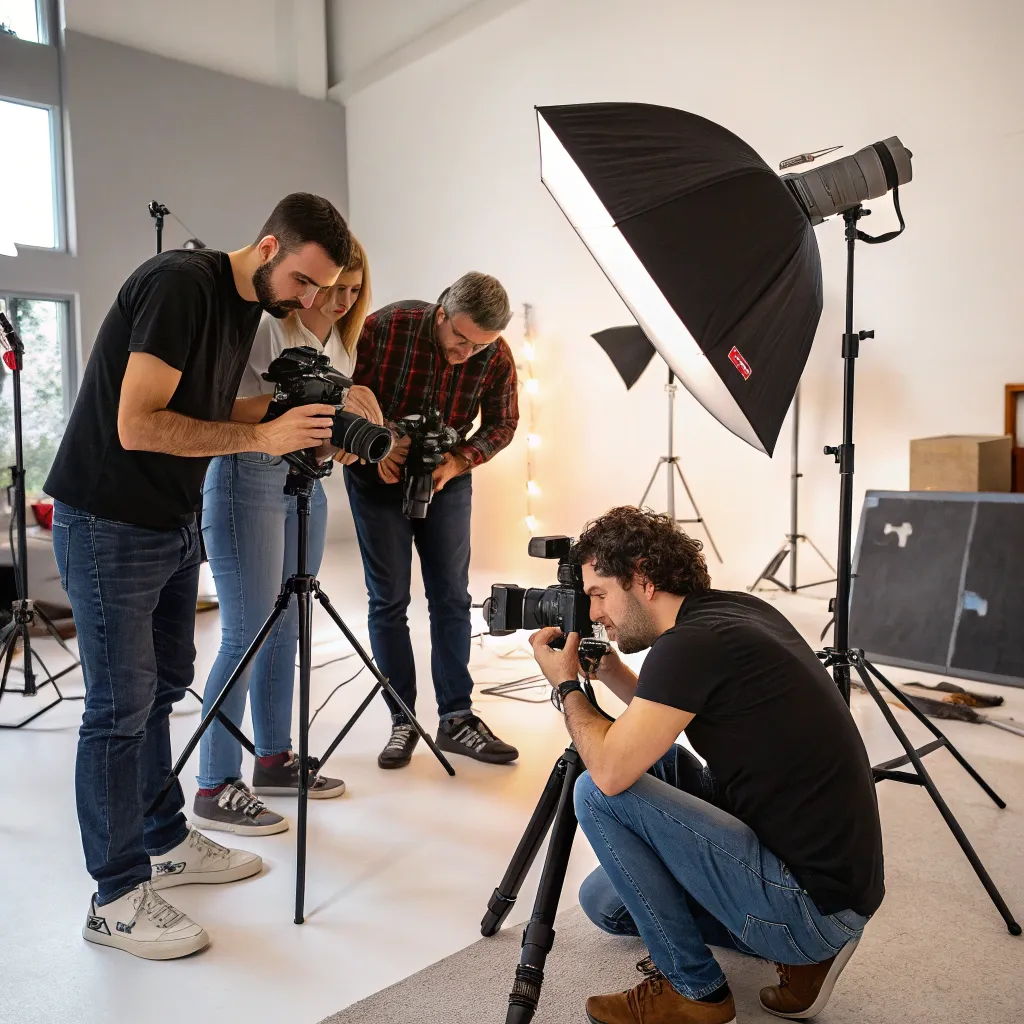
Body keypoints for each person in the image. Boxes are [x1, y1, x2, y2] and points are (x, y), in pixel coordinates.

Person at [45, 193, 352, 960]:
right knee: (118, 708)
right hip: (107, 519)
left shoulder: (245, 305)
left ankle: (165, 840)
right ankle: (114, 897)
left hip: (169, 523)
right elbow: (137, 423)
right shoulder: (181, 284)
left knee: (163, 687)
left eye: (324, 291)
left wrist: (310, 415)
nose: (311, 303)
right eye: (306, 282)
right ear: (269, 245)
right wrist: (265, 433)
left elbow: (212, 404)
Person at [528, 507, 885, 1024]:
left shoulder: (689, 648)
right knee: (605, 901)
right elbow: (662, 712)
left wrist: (565, 687)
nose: (594, 613)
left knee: (597, 790)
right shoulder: (729, 613)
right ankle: (802, 954)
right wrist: (607, 671)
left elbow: (607, 772)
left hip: (809, 905)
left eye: (600, 594)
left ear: (643, 578)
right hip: (833, 883)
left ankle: (696, 991)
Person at [193, 237, 380, 835]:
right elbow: (225, 405)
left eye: (351, 291)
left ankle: (273, 758)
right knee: (246, 632)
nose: (335, 299)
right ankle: (215, 784)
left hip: (305, 481)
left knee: (288, 624)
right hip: (246, 472)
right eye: (327, 286)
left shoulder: (339, 342)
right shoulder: (269, 324)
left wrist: (345, 437)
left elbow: (314, 428)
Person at [346, 272, 521, 769]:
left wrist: (460, 461)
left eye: (480, 346)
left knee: (451, 597)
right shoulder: (385, 327)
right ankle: (403, 719)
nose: (467, 353)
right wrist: (373, 445)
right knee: (389, 600)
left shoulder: (495, 353)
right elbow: (346, 393)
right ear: (440, 313)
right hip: (373, 472)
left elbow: (502, 423)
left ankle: (457, 719)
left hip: (447, 475)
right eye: (460, 339)